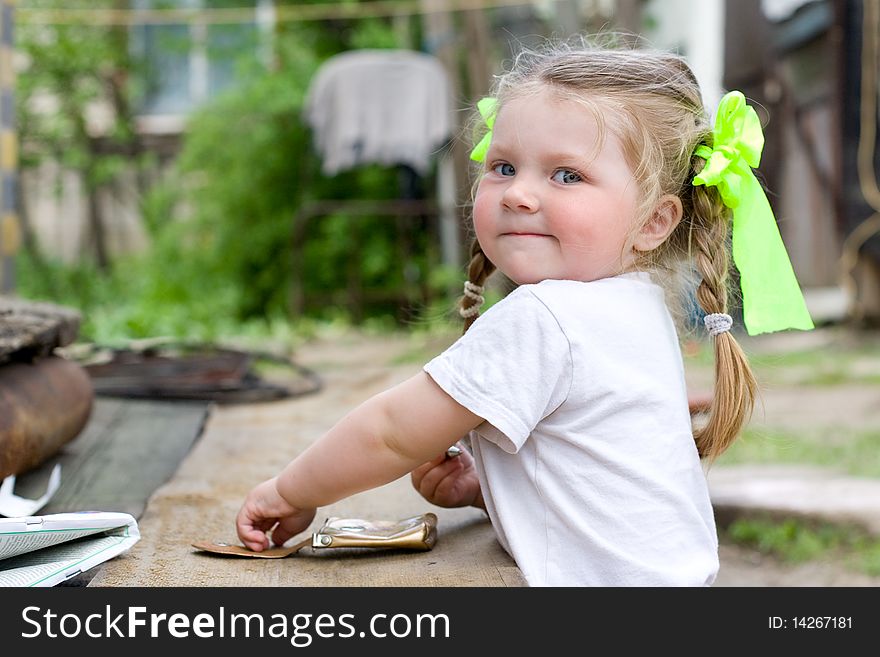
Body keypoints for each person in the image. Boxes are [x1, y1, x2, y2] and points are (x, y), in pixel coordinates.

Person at [236, 39, 812, 586]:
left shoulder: (545, 316)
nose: (517, 194)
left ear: (654, 222)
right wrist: (487, 489)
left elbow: (390, 434)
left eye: (567, 175)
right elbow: (602, 482)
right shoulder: (635, 306)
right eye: (504, 167)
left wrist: (290, 492)